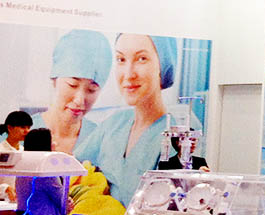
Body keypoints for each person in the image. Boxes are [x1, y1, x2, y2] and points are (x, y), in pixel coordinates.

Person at [0, 30, 112, 196]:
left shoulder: (101, 138)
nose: (80, 100)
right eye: (72, 85)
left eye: (92, 89)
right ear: (54, 79)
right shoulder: (16, 133)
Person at [77, 34, 201, 205]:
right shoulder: (114, 124)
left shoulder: (181, 129)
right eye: (121, 59)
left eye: (141, 59)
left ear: (163, 65)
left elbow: (178, 201)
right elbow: (71, 170)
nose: (128, 74)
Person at [15, 128, 66, 215]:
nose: (55, 144)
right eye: (52, 141)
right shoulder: (46, 173)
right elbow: (62, 201)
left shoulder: (23, 169)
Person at [0, 110, 31, 201]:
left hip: (21, 203)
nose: (27, 131)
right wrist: (6, 189)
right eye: (23, 127)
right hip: (1, 204)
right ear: (10, 128)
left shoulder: (25, 152)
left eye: (29, 127)